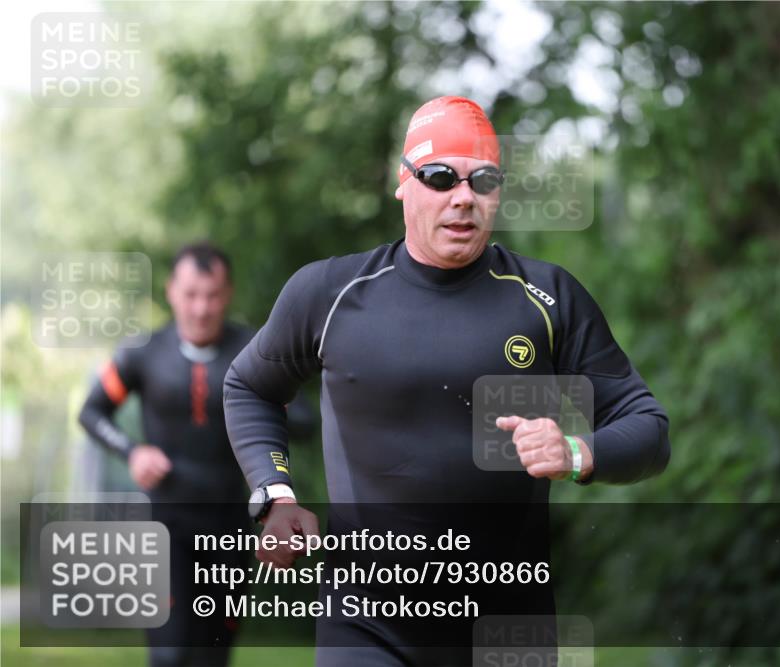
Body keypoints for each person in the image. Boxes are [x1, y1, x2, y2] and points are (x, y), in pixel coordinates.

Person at [223, 96, 671, 666]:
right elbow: (250, 387)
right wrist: (274, 491)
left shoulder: (547, 300)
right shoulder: (330, 294)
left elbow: (648, 429)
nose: (463, 197)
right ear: (403, 183)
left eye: (482, 180)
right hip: (366, 626)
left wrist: (577, 452)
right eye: (440, 177)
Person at [79, 242, 314, 667]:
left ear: (228, 294)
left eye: (212, 294)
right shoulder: (142, 352)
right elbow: (91, 412)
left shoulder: (255, 351)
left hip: (229, 526)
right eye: (191, 294)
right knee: (169, 654)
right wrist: (132, 452)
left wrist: (263, 405)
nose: (202, 307)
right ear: (171, 291)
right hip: (164, 527)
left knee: (213, 655)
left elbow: (304, 421)